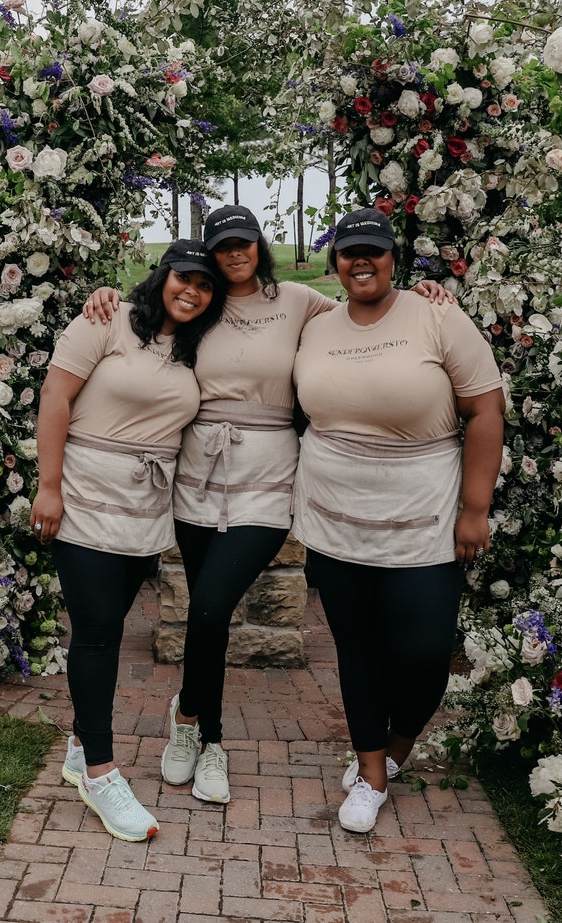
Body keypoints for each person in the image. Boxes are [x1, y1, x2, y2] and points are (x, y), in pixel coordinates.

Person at [82, 206, 453, 807]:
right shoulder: (200, 304)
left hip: (267, 474)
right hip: (197, 473)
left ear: (259, 246)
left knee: (208, 609)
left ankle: (199, 726)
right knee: (208, 621)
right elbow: (140, 317)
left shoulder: (301, 301)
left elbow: (371, 316)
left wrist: (420, 294)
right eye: (222, 245)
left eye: (243, 242)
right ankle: (200, 735)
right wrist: (106, 296)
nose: (233, 254)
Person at [291, 206, 505, 833]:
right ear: (334, 264)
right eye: (349, 252)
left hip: (424, 513)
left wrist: (475, 508)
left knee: (425, 654)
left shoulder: (437, 316)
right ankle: (371, 773)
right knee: (355, 648)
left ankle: (398, 743)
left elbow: (485, 411)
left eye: (375, 251)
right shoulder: (318, 324)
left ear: (394, 259)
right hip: (335, 514)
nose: (362, 261)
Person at [30, 239, 226, 842]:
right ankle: (101, 771)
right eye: (182, 277)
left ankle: (78, 745)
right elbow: (55, 398)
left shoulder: (199, 348)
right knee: (96, 634)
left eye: (204, 283)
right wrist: (48, 486)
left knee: (107, 624)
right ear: (162, 275)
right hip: (85, 497)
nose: (191, 290)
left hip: (145, 510)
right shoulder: (106, 319)